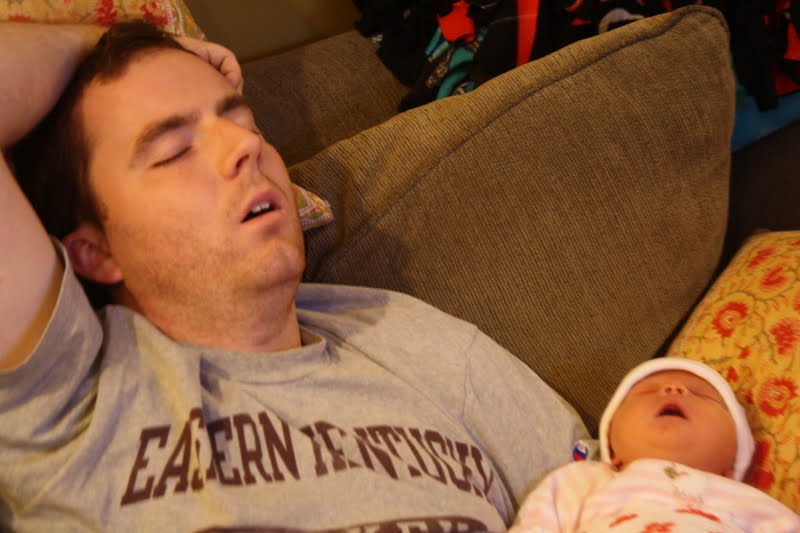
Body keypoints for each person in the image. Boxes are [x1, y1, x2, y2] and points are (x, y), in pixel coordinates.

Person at [0, 20, 589, 531]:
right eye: (175, 151)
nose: (244, 147)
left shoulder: (411, 338)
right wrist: (98, 43)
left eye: (245, 123)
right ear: (96, 252)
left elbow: (611, 496)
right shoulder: (70, 396)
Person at [508, 358, 800, 532]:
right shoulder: (586, 480)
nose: (674, 389)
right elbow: (538, 524)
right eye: (646, 392)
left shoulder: (748, 502)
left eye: (702, 395)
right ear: (613, 447)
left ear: (731, 461)